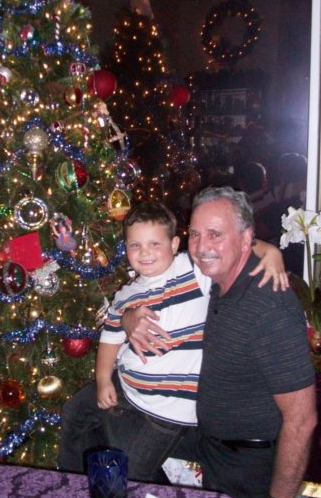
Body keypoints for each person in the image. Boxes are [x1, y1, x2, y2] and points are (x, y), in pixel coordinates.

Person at [58, 200, 288, 483]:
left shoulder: (191, 269)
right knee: (75, 413)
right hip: (126, 384)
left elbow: (233, 250)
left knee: (131, 474)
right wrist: (104, 379)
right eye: (135, 245)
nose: (144, 253)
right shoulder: (125, 295)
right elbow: (110, 336)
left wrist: (271, 252)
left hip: (167, 408)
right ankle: (70, 484)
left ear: (175, 244)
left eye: (154, 244)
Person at [186, 187, 317, 498]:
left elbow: (302, 419)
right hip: (216, 454)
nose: (201, 246)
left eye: (215, 234)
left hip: (250, 469)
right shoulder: (220, 279)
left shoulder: (267, 305)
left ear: (246, 239)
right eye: (195, 233)